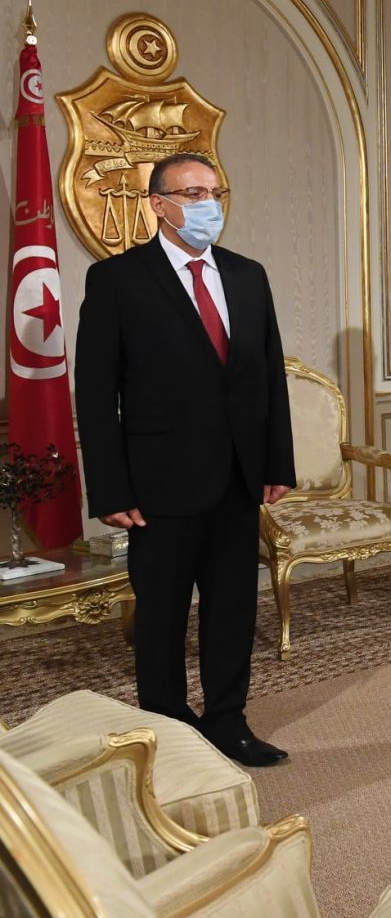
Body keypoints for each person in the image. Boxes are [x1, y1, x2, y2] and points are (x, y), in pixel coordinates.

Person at [75, 153, 295, 768]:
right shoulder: (117, 280)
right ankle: (169, 728)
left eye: (214, 192)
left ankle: (228, 720)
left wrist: (277, 462)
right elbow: (96, 394)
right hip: (158, 483)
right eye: (193, 193)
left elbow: (269, 376)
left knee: (232, 609)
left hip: (238, 477)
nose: (208, 204)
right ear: (158, 204)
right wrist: (110, 489)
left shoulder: (247, 275)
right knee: (162, 616)